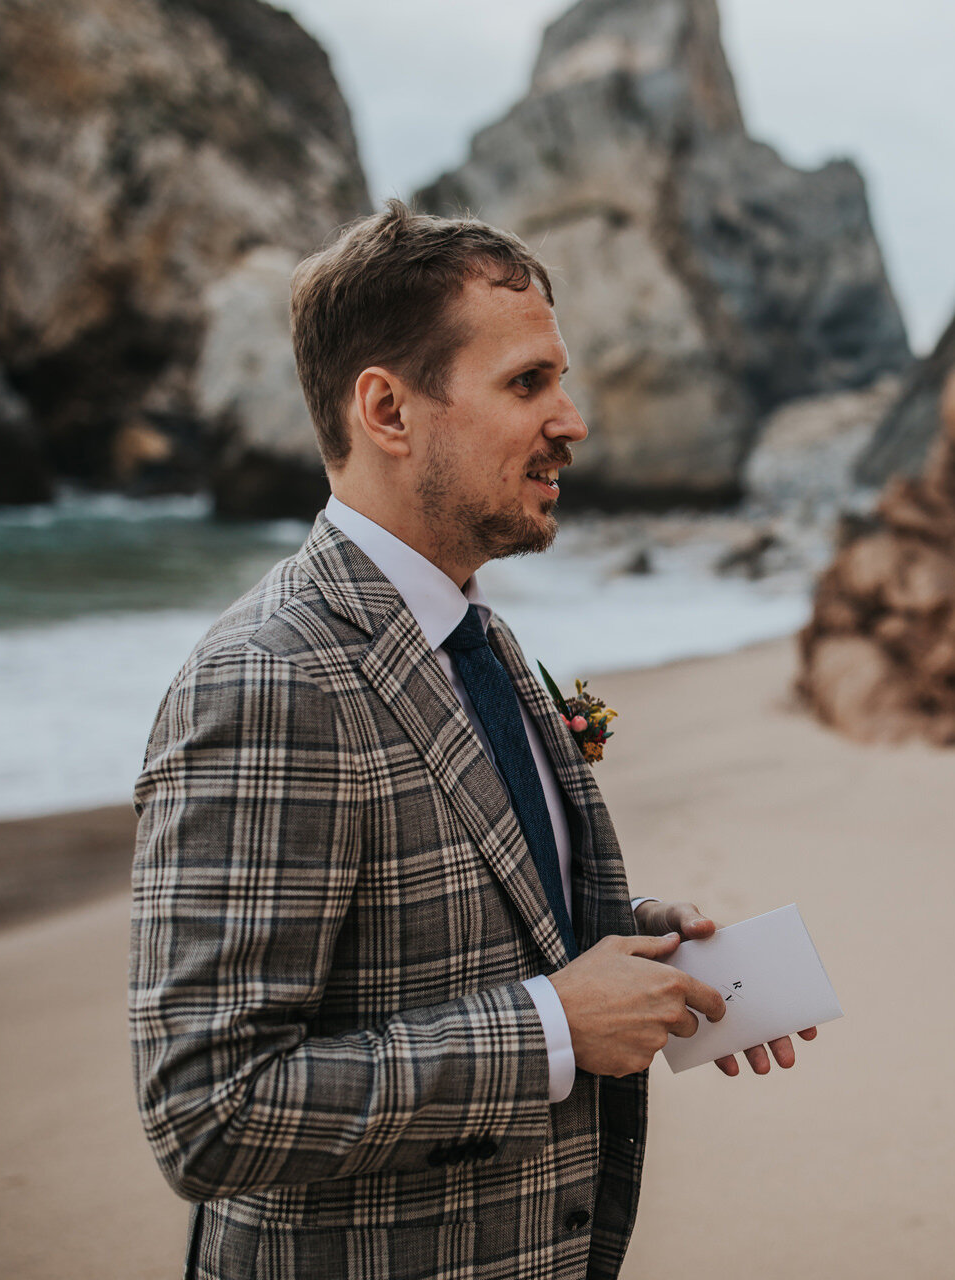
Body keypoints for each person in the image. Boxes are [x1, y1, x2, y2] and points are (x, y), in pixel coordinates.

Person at [129, 200, 812, 1280]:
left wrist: (635, 950)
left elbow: (435, 915)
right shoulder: (269, 681)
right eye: (528, 383)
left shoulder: (473, 631)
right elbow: (210, 1107)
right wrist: (551, 1023)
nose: (574, 419)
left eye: (562, 380)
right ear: (389, 409)